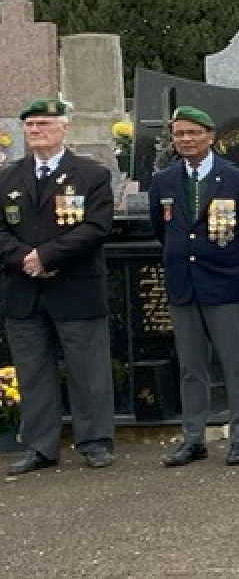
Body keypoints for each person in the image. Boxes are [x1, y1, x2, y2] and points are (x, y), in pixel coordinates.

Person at [0, 98, 116, 475]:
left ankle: (94, 441)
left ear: (64, 128)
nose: (36, 131)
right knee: (32, 373)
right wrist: (24, 258)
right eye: (30, 125)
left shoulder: (91, 175)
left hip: (75, 288)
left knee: (87, 370)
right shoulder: (8, 177)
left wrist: (47, 257)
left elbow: (96, 227)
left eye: (44, 124)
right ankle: (40, 446)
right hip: (23, 290)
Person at [149, 106, 239, 467]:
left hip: (224, 284)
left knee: (235, 364)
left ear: (210, 136)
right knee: (191, 367)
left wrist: (228, 262)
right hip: (183, 285)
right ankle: (193, 438)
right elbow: (161, 229)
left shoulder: (236, 179)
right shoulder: (164, 181)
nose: (186, 140)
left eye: (193, 133)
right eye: (179, 134)